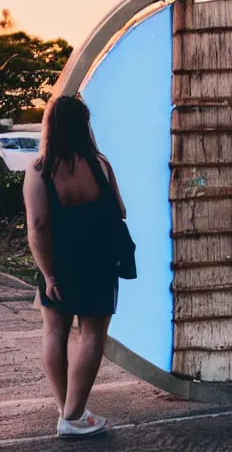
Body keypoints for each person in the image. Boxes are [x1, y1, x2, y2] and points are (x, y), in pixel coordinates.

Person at [23, 95, 126, 438]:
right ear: (84, 124)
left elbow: (37, 226)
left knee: (54, 331)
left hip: (60, 260)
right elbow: (120, 210)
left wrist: (48, 273)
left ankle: (64, 410)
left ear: (50, 125)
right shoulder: (100, 163)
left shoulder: (40, 170)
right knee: (92, 333)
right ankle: (74, 414)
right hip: (99, 258)